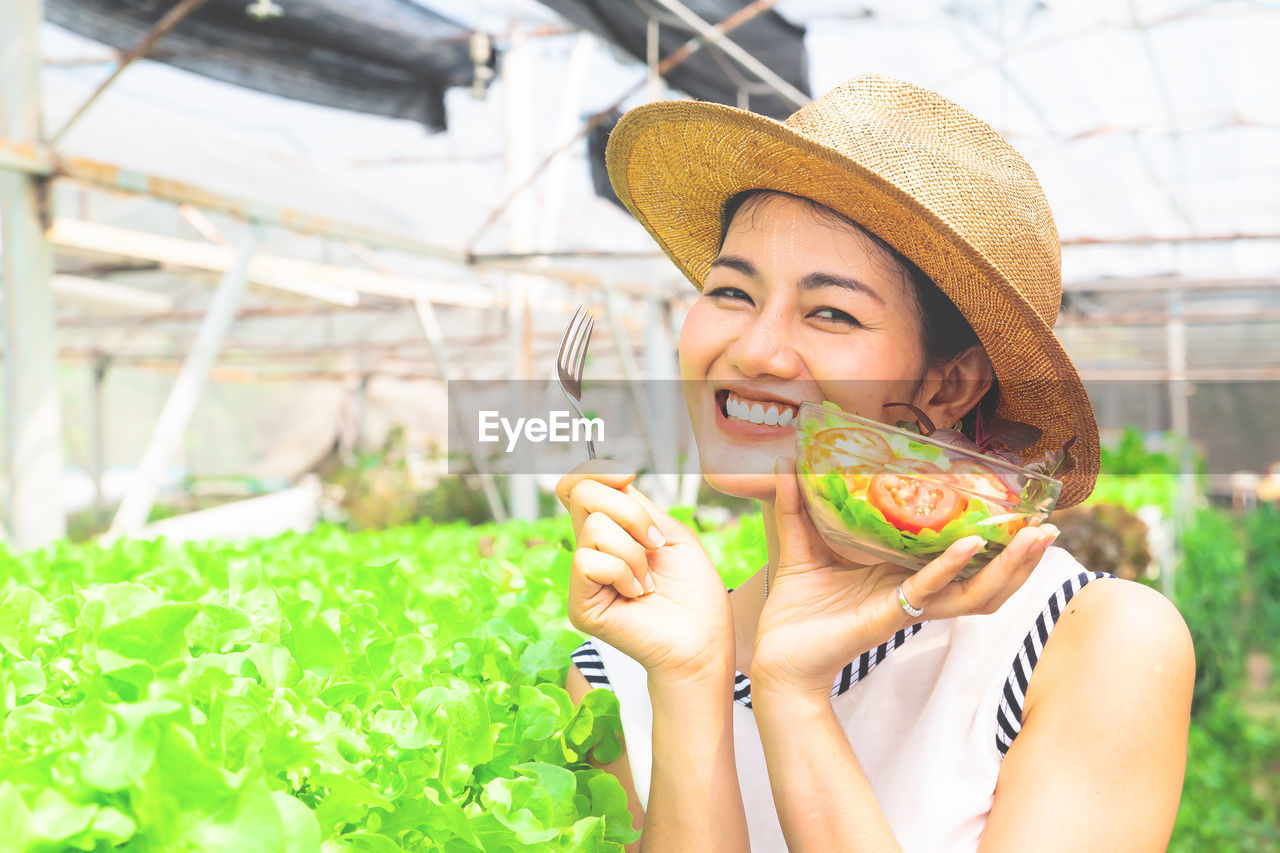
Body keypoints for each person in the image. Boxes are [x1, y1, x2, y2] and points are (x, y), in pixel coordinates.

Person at [557, 75, 1193, 852]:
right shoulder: (624, 663)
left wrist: (795, 695)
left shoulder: (1088, 640)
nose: (752, 349)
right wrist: (691, 684)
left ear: (950, 381)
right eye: (731, 291)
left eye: (832, 311)